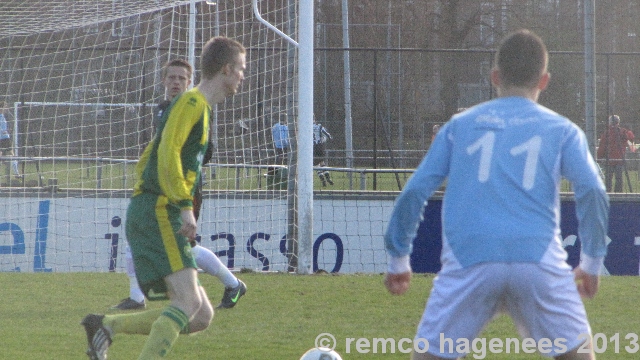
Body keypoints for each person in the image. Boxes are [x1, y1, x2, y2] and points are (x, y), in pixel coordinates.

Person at [384, 29, 608, 360]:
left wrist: (398, 258)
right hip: (538, 260)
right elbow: (592, 188)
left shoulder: (459, 126)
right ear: (544, 81)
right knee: (576, 355)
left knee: (430, 355)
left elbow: (416, 189)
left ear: (495, 77)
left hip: (469, 260)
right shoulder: (563, 130)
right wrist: (591, 263)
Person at [81, 36, 247, 360]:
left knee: (199, 315)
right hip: (160, 209)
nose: (243, 75)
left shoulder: (201, 108)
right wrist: (183, 206)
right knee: (186, 302)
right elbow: (167, 153)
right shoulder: (191, 103)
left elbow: (151, 153)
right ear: (226, 69)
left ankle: (107, 325)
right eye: (241, 68)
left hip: (157, 206)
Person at [111, 59, 246, 312]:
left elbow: (203, 153)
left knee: (183, 246)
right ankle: (138, 298)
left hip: (185, 190)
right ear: (164, 81)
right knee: (143, 240)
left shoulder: (196, 107)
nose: (176, 82)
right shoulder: (164, 108)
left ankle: (229, 285)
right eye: (171, 77)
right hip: (161, 187)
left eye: (182, 78)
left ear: (190, 82)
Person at [596, 114, 634, 193]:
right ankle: (618, 193)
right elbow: (631, 137)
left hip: (609, 160)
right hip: (620, 159)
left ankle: (608, 193)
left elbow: (602, 147)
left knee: (608, 179)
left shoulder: (606, 133)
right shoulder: (623, 131)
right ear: (618, 122)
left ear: (610, 123)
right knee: (619, 179)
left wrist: (599, 158)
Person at [0, 101, 20, 178]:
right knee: (11, 154)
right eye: (5, 107)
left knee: (8, 154)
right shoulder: (1, 116)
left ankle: (16, 173)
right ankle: (16, 173)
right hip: (4, 138)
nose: (7, 109)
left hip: (5, 138)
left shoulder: (2, 116)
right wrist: (3, 131)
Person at [313, 116, 333, 187]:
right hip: (319, 146)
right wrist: (326, 139)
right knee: (322, 162)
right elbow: (328, 135)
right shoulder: (319, 126)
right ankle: (328, 178)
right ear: (314, 119)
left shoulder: (305, 127)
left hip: (311, 147)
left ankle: (323, 180)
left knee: (316, 165)